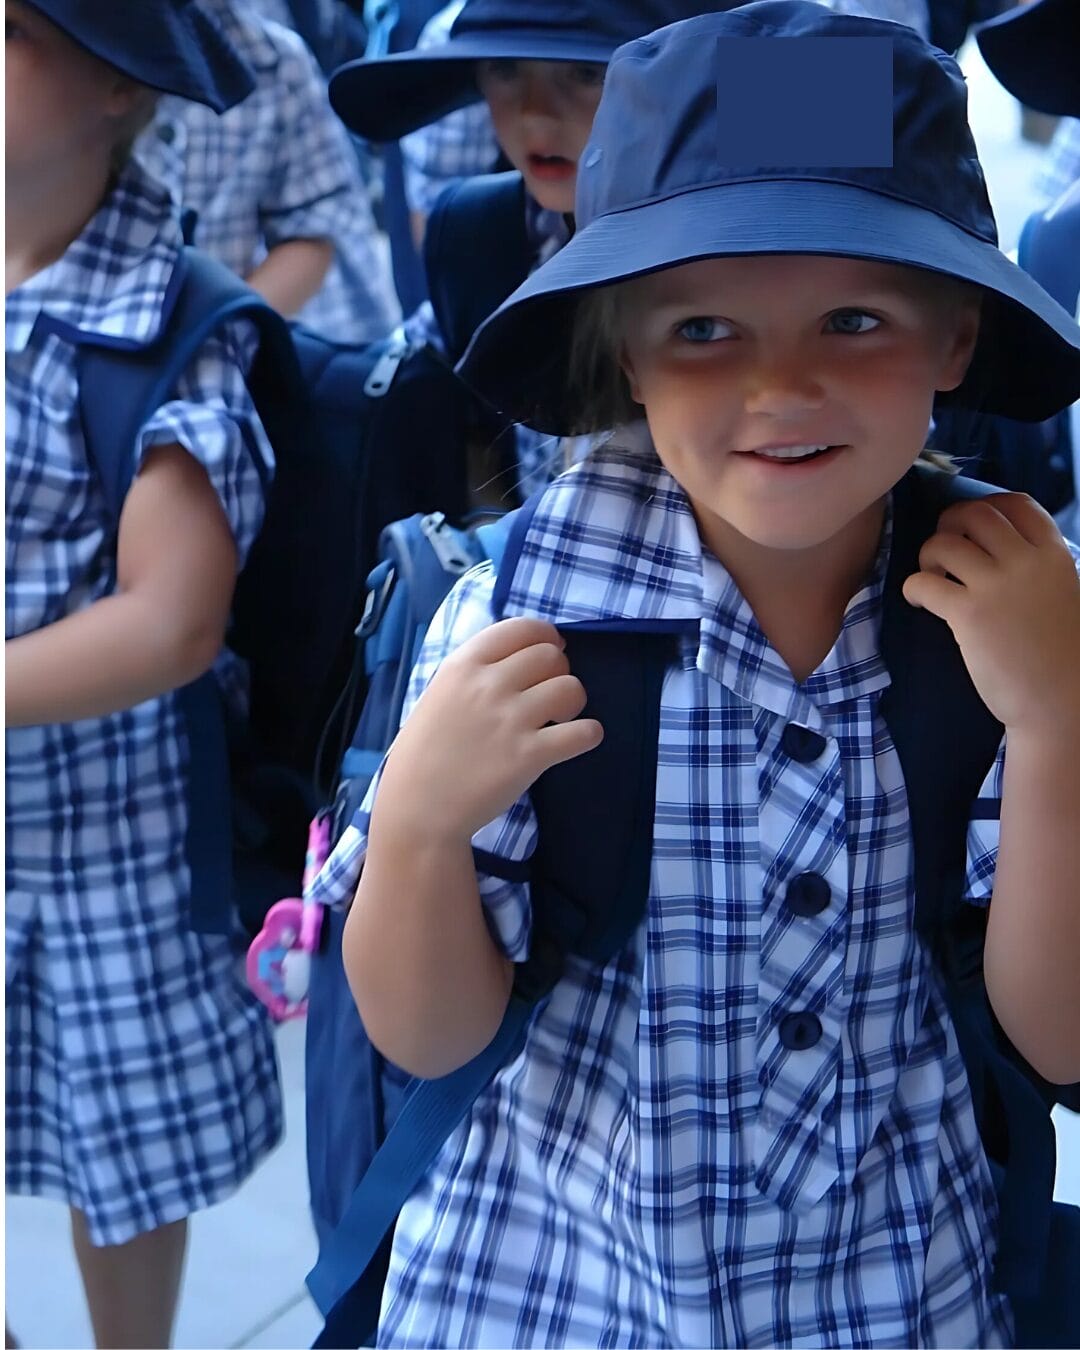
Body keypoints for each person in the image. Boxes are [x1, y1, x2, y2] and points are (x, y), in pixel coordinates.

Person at [310, 3, 1080, 1345]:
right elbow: (426, 1037)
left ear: (958, 337)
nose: (783, 384)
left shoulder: (1016, 612)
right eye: (705, 330)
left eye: (854, 316)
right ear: (623, 347)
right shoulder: (517, 614)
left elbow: (1061, 1041)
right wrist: (425, 826)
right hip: (555, 1287)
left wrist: (1062, 722)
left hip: (899, 1288)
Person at [5, 3, 283, 1346]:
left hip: (104, 854)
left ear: (122, 86)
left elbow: (172, 618)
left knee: (117, 1164)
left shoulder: (170, 322)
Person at [136, 0, 400, 344]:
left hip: (224, 340)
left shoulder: (275, 61)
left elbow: (313, 232)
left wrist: (204, 341)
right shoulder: (69, 53)